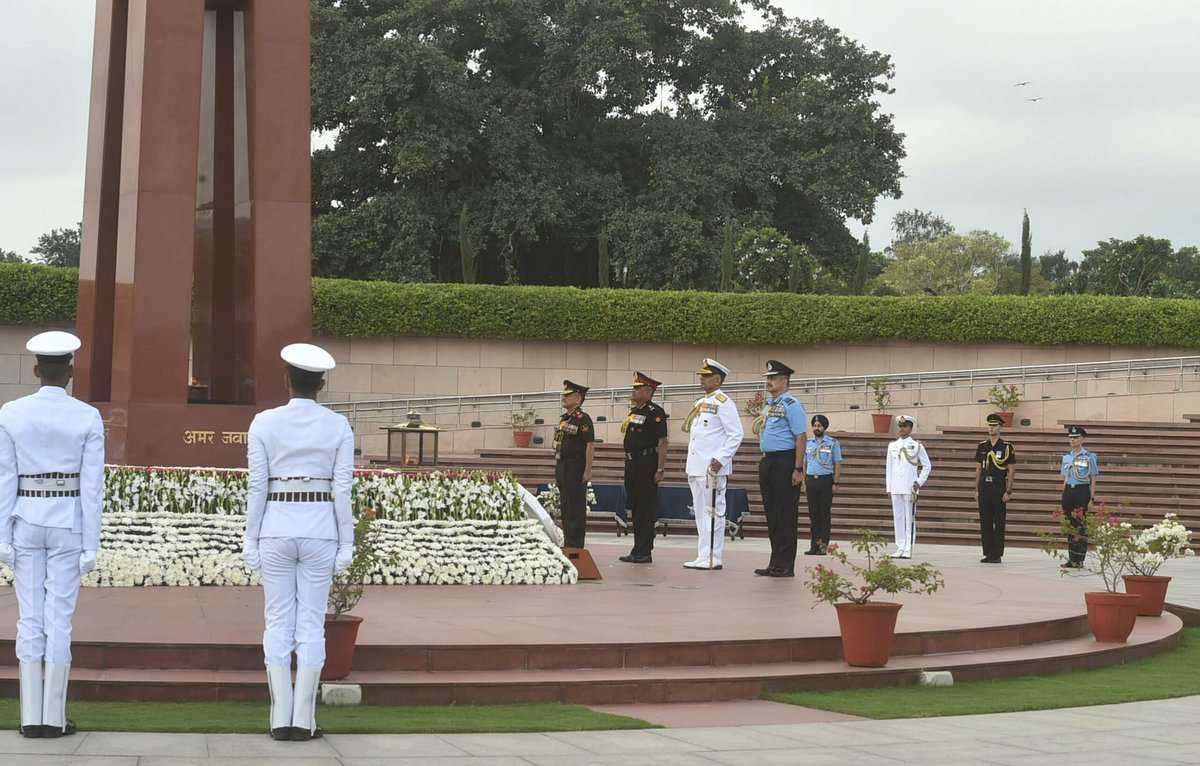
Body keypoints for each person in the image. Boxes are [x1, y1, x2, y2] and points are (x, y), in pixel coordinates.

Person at [243, 343, 354, 741]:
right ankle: (303, 721)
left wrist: (250, 537)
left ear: (286, 379)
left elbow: (257, 485)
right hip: (320, 526)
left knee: (277, 621)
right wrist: (347, 542)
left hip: (276, 524)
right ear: (322, 383)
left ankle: (280, 719)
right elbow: (343, 488)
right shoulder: (338, 425)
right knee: (310, 623)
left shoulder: (264, 422)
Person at [0, 331, 104, 739]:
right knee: (59, 618)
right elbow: (92, 487)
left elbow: (5, 478)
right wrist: (92, 542)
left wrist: (2, 534)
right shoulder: (86, 416)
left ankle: (30, 718)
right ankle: (53, 718)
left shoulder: (11, 412)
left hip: (26, 516)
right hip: (67, 521)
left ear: (37, 369)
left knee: (31, 617)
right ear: (71, 370)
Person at [683, 359, 744, 570]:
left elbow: (736, 434)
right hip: (697, 467)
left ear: (717, 379)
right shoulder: (701, 402)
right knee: (700, 513)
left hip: (712, 467)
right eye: (701, 375)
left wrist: (720, 459)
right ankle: (702, 555)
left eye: (706, 376)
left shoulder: (724, 402)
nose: (701, 378)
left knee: (713, 512)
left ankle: (713, 557)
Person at [754, 360, 807, 577]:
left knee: (785, 514)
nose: (769, 381)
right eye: (768, 378)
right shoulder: (769, 404)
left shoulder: (792, 404)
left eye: (773, 378)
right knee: (772, 514)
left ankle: (785, 564)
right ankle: (775, 561)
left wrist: (798, 468)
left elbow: (801, 436)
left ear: (784, 380)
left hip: (785, 462)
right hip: (768, 461)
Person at [619, 372, 668, 564]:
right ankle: (637, 548)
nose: (634, 391)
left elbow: (663, 441)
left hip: (647, 463)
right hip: (632, 463)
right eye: (634, 388)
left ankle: (645, 551)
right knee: (636, 507)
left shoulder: (655, 412)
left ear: (648, 391)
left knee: (646, 509)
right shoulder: (634, 412)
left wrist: (660, 469)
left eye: (638, 388)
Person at [885, 414, 931, 559]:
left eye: (905, 426)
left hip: (910, 486)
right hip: (896, 487)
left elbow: (927, 466)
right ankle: (899, 546)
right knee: (898, 518)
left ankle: (907, 547)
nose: (902, 429)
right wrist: (889, 487)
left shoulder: (917, 445)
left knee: (908, 518)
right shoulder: (892, 446)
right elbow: (889, 468)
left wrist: (919, 482)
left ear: (910, 428)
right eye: (900, 426)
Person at [555, 380, 595, 549]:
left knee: (575, 507)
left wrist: (588, 470)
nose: (564, 398)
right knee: (565, 505)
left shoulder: (583, 419)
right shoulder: (565, 419)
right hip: (562, 465)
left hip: (576, 466)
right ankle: (568, 541)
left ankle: (576, 544)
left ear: (578, 398)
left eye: (568, 395)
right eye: (563, 395)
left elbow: (590, 445)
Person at [976, 413, 1016, 564]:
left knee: (999, 521)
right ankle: (988, 552)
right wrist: (976, 489)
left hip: (998, 487)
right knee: (985, 521)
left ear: (1000, 427)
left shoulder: (1006, 447)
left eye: (994, 426)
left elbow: (1011, 470)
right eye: (989, 425)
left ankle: (997, 553)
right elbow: (978, 469)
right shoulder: (982, 446)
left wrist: (1008, 490)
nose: (991, 428)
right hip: (984, 486)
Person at [1060, 425, 1099, 569]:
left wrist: (1092, 498)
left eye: (1075, 438)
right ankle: (1072, 558)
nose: (1072, 440)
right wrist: (1063, 493)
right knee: (1070, 525)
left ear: (1082, 439)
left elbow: (1093, 477)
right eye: (1070, 438)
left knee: (1081, 525)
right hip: (1069, 491)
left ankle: (1080, 559)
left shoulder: (1089, 456)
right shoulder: (1066, 457)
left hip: (1082, 491)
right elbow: (1065, 477)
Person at [803, 414, 843, 556]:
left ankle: (822, 547)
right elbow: (805, 463)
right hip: (811, 481)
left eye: (819, 425)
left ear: (824, 427)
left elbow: (837, 463)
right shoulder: (808, 443)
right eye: (814, 425)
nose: (816, 428)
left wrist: (836, 482)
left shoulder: (833, 443)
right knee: (813, 515)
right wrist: (804, 481)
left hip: (826, 480)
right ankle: (813, 546)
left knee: (824, 514)